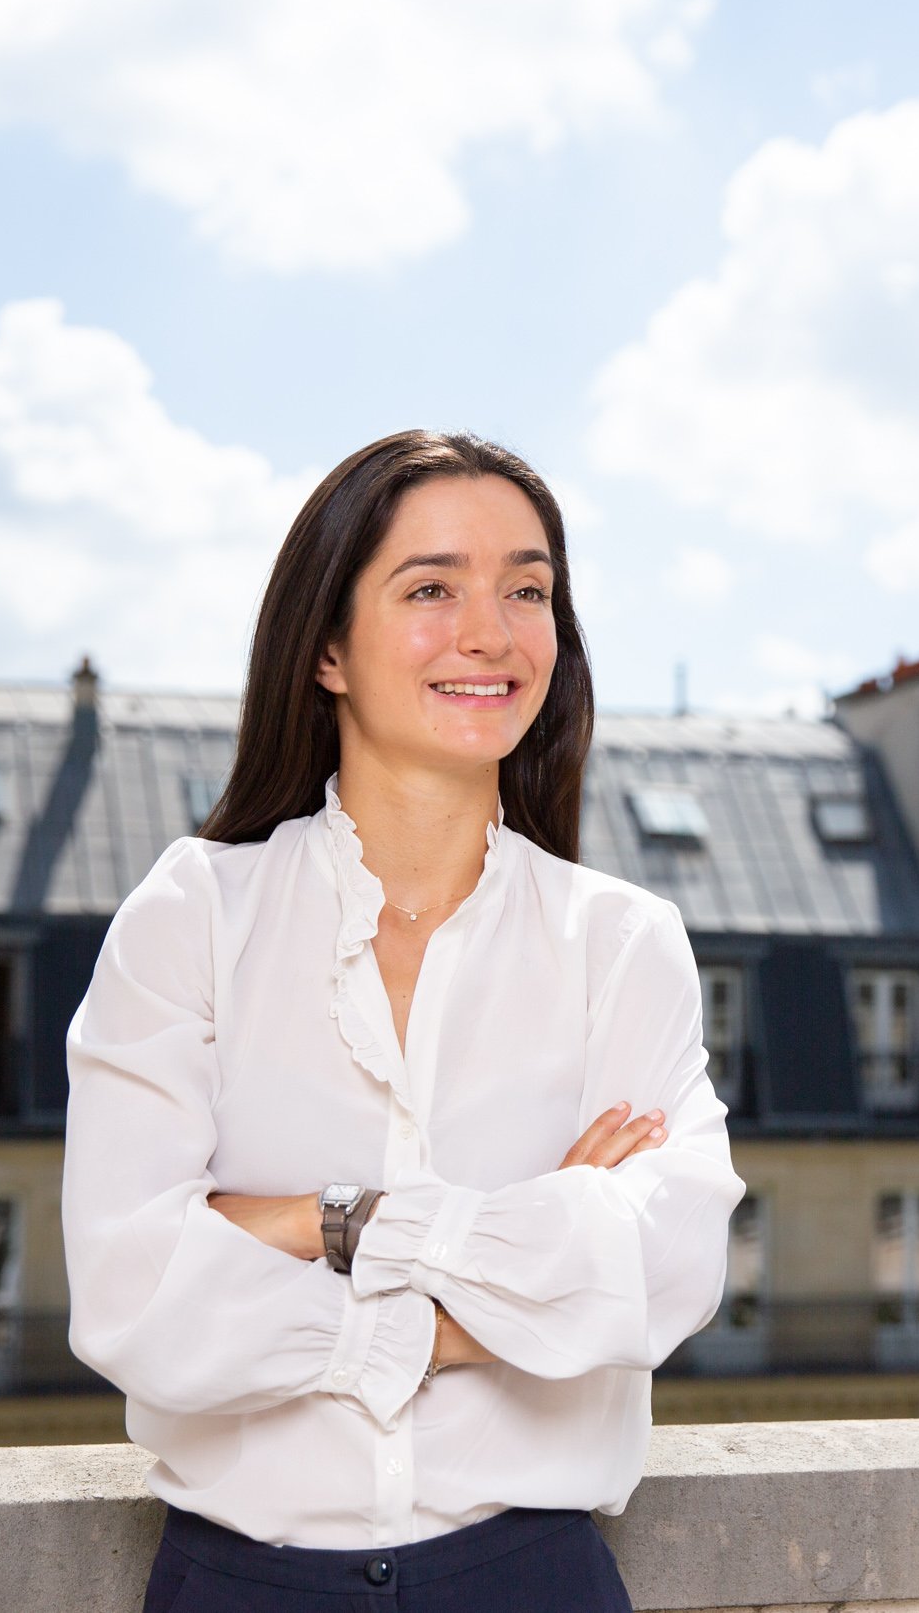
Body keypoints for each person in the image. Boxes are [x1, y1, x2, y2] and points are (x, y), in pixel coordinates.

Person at [62, 429, 743, 1612]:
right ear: (326, 646)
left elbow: (661, 1268)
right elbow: (135, 1294)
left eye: (526, 590)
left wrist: (303, 1227)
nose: (490, 631)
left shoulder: (621, 940)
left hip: (533, 1576)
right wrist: (517, 1253)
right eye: (432, 588)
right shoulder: (194, 914)